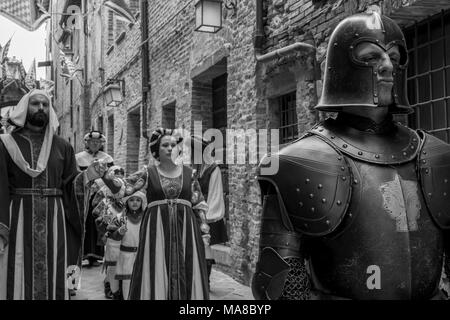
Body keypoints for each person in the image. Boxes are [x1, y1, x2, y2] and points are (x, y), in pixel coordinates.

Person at [252, 10, 450, 300]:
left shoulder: (436, 157)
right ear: (342, 68)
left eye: (393, 58)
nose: (386, 66)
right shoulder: (300, 163)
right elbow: (277, 284)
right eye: (371, 57)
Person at [0, 89, 104, 300]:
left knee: (56, 267)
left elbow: (70, 183)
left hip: (55, 220)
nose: (41, 108)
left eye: (45, 105)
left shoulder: (62, 146)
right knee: (17, 264)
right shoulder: (6, 144)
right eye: (35, 104)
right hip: (19, 217)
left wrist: (86, 177)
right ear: (24, 108)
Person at [101, 128, 210, 300]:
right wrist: (104, 176)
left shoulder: (190, 174)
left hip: (186, 232)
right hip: (157, 231)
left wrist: (204, 232)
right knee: (157, 268)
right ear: (156, 150)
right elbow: (124, 188)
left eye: (173, 145)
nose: (170, 148)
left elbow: (199, 204)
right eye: (165, 145)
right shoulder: (147, 173)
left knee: (188, 268)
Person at [190, 135, 228, 289]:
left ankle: (205, 281)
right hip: (191, 212)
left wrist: (205, 219)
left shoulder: (213, 169)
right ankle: (195, 278)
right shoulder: (193, 169)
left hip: (205, 215)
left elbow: (215, 195)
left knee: (205, 246)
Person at [76, 131, 114, 268]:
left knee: (99, 222)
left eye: (97, 142)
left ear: (101, 144)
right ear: (87, 143)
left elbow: (111, 175)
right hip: (85, 194)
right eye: (92, 142)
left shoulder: (107, 158)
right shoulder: (79, 158)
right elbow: (76, 175)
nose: (95, 144)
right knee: (85, 222)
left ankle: (98, 254)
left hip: (101, 194)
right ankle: (85, 253)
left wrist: (100, 185)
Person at [92, 166, 126, 299]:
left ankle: (120, 285)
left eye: (121, 174)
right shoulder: (105, 192)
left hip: (124, 227)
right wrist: (106, 208)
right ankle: (109, 284)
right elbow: (95, 209)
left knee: (122, 257)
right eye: (116, 174)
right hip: (110, 228)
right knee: (111, 257)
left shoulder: (126, 190)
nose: (119, 176)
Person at [107, 191, 147, 300]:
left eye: (138, 200)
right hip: (125, 256)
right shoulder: (120, 218)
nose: (135, 203)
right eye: (132, 200)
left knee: (143, 283)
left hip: (142, 256)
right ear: (127, 202)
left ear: (142, 202)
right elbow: (112, 236)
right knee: (127, 284)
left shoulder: (147, 218)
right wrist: (119, 232)